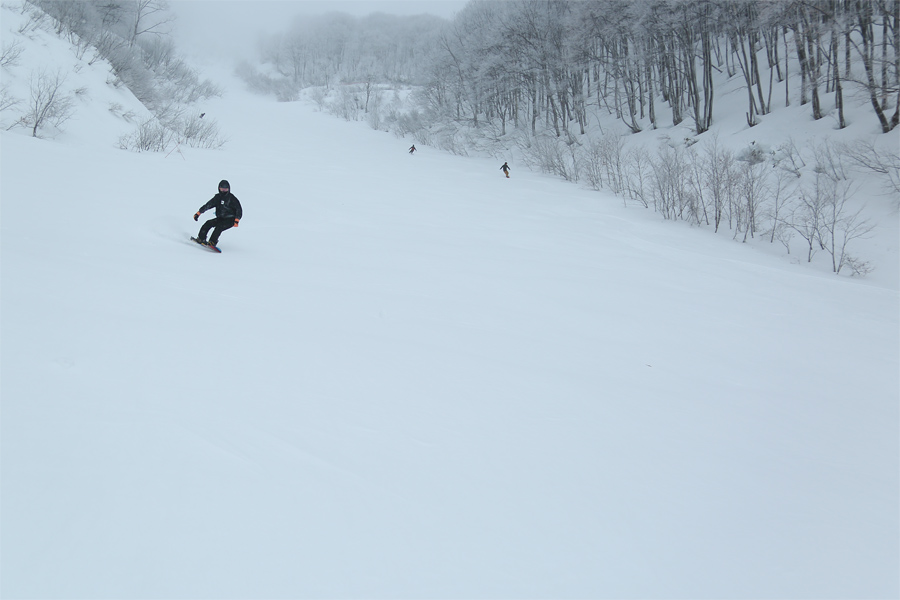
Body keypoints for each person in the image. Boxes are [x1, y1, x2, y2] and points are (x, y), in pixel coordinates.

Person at [193, 179, 242, 248]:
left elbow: (239, 209)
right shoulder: (217, 198)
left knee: (219, 227)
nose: (224, 191)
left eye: (225, 189)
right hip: (221, 218)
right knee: (208, 223)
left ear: (228, 189)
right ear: (219, 188)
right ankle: (201, 239)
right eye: (222, 189)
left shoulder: (232, 198)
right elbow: (208, 205)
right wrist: (198, 213)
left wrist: (236, 220)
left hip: (231, 220)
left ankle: (212, 242)